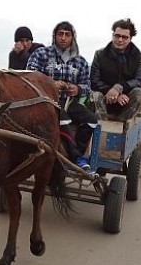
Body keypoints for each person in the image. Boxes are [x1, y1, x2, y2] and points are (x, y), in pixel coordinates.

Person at [27, 21, 97, 170]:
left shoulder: (81, 61)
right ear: (54, 36)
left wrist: (77, 89)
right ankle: (75, 158)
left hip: (69, 102)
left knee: (91, 120)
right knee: (63, 118)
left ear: (72, 38)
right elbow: (30, 77)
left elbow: (87, 86)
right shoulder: (41, 54)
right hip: (45, 101)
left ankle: (70, 152)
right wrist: (51, 83)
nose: (63, 38)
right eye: (60, 34)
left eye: (67, 35)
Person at [90, 18, 141, 121]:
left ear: (130, 38)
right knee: (95, 95)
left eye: (124, 37)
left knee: (140, 94)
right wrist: (110, 92)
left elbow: (138, 81)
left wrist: (119, 88)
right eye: (117, 36)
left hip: (126, 102)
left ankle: (121, 127)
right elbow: (94, 81)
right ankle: (100, 129)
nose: (120, 40)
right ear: (113, 35)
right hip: (104, 98)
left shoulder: (138, 56)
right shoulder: (100, 54)